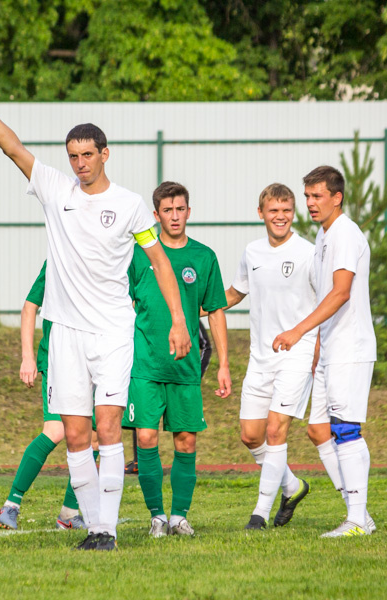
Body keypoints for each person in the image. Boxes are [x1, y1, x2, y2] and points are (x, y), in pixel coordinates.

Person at [0, 71, 191, 551]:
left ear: (104, 154)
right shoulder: (56, 190)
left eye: (87, 155)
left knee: (109, 426)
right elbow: (11, 146)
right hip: (66, 335)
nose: (79, 164)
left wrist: (179, 321)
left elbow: (160, 262)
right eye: (72, 156)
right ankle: (94, 528)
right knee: (75, 435)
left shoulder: (132, 205)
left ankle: (108, 529)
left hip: (113, 331)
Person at [272, 166, 377, 537]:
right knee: (318, 429)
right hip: (329, 348)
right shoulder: (324, 235)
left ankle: (357, 519)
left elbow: (340, 292)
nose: (311, 204)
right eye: (308, 196)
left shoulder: (345, 234)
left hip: (350, 347)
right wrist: (317, 343)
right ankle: (358, 514)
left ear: (337, 197)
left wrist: (299, 331)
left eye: (318, 196)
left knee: (346, 429)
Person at [124, 182, 231, 538]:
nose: (174, 216)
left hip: (184, 366)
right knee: (146, 437)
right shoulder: (138, 254)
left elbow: (216, 311)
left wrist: (224, 365)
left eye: (180, 209)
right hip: (145, 365)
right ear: (156, 215)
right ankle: (156, 516)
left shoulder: (203, 257)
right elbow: (120, 304)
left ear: (189, 211)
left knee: (186, 440)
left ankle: (179, 516)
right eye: (167, 210)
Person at [221, 183, 316, 530]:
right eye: (274, 210)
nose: (281, 217)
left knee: (276, 431)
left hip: (297, 353)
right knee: (251, 435)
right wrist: (190, 308)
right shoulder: (252, 252)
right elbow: (234, 292)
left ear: (294, 213)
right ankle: (293, 486)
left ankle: (259, 514)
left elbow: (325, 305)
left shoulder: (308, 252)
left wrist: (315, 353)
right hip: (260, 357)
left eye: (287, 210)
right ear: (260, 213)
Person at [0, 261, 96, 531]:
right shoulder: (60, 257)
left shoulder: (108, 253)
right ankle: (11, 505)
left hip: (93, 359)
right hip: (57, 360)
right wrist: (27, 357)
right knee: (55, 430)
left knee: (94, 438)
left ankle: (69, 513)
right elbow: (30, 306)